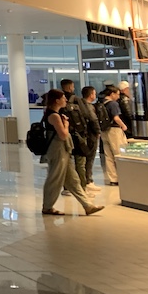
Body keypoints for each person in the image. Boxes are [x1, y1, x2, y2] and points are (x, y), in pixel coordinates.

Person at [40, 89, 102, 217]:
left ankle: (87, 205)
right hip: (58, 150)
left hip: (63, 150)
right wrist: (66, 124)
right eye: (63, 98)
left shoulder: (54, 114)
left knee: (73, 180)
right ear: (57, 100)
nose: (66, 100)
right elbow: (63, 135)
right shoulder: (54, 116)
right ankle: (47, 206)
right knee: (55, 178)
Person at [99, 86, 128, 186]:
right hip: (114, 130)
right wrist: (124, 126)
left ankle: (113, 179)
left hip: (104, 131)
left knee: (108, 155)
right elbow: (116, 118)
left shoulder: (102, 103)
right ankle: (123, 177)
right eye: (117, 94)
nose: (118, 96)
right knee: (118, 153)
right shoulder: (113, 104)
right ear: (112, 94)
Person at [79, 86, 101, 191]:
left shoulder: (80, 105)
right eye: (94, 93)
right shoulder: (88, 107)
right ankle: (88, 180)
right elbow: (93, 119)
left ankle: (86, 179)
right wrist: (98, 131)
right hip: (91, 135)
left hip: (84, 134)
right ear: (91, 94)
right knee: (90, 157)